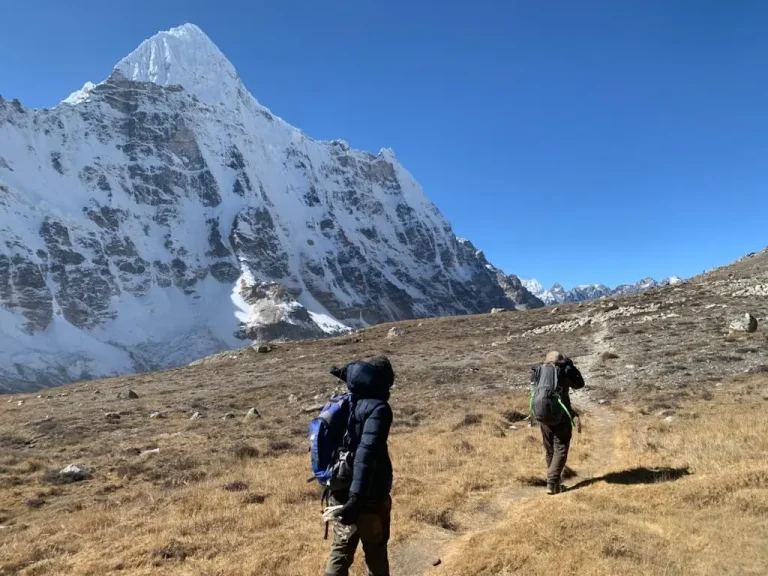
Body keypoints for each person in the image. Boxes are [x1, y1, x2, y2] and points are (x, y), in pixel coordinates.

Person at [323, 356, 394, 576]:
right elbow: (366, 454)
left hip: (339, 490)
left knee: (341, 550)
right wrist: (356, 499)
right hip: (368, 496)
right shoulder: (379, 409)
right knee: (375, 551)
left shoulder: (345, 402)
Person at [531, 351, 585, 495]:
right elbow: (580, 384)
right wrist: (571, 366)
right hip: (562, 416)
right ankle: (552, 482)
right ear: (561, 361)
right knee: (560, 448)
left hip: (543, 416)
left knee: (550, 450)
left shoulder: (539, 371)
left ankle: (555, 484)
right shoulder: (564, 370)